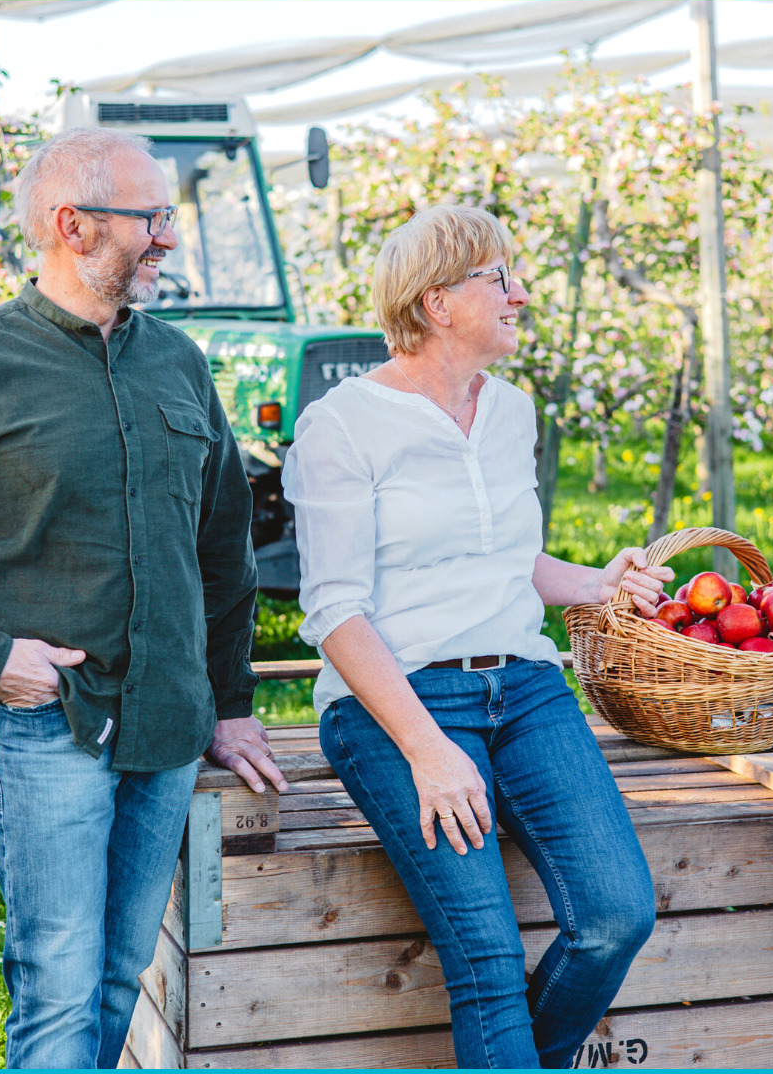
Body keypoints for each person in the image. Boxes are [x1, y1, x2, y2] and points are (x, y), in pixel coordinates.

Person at [282, 204, 669, 1069]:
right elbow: (335, 611)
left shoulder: (511, 412)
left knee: (616, 916)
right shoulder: (342, 427)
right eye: (498, 278)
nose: (520, 294)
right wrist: (426, 750)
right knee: (487, 961)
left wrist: (598, 583)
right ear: (435, 303)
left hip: (526, 690)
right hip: (398, 702)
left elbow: (504, 554)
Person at [0, 127, 287, 1069]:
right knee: (55, 989)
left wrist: (231, 702)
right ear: (73, 226)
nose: (168, 238)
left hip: (169, 726)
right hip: (52, 726)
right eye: (152, 218)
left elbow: (224, 546)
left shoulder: (176, 360)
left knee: (114, 980)